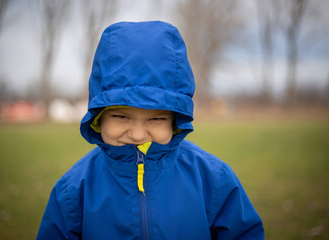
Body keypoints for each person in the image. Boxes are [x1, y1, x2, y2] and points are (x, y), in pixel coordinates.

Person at [37, 21, 264, 240]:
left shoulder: (213, 179)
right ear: (99, 116)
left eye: (155, 118)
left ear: (175, 120)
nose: (137, 134)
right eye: (121, 116)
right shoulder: (74, 190)